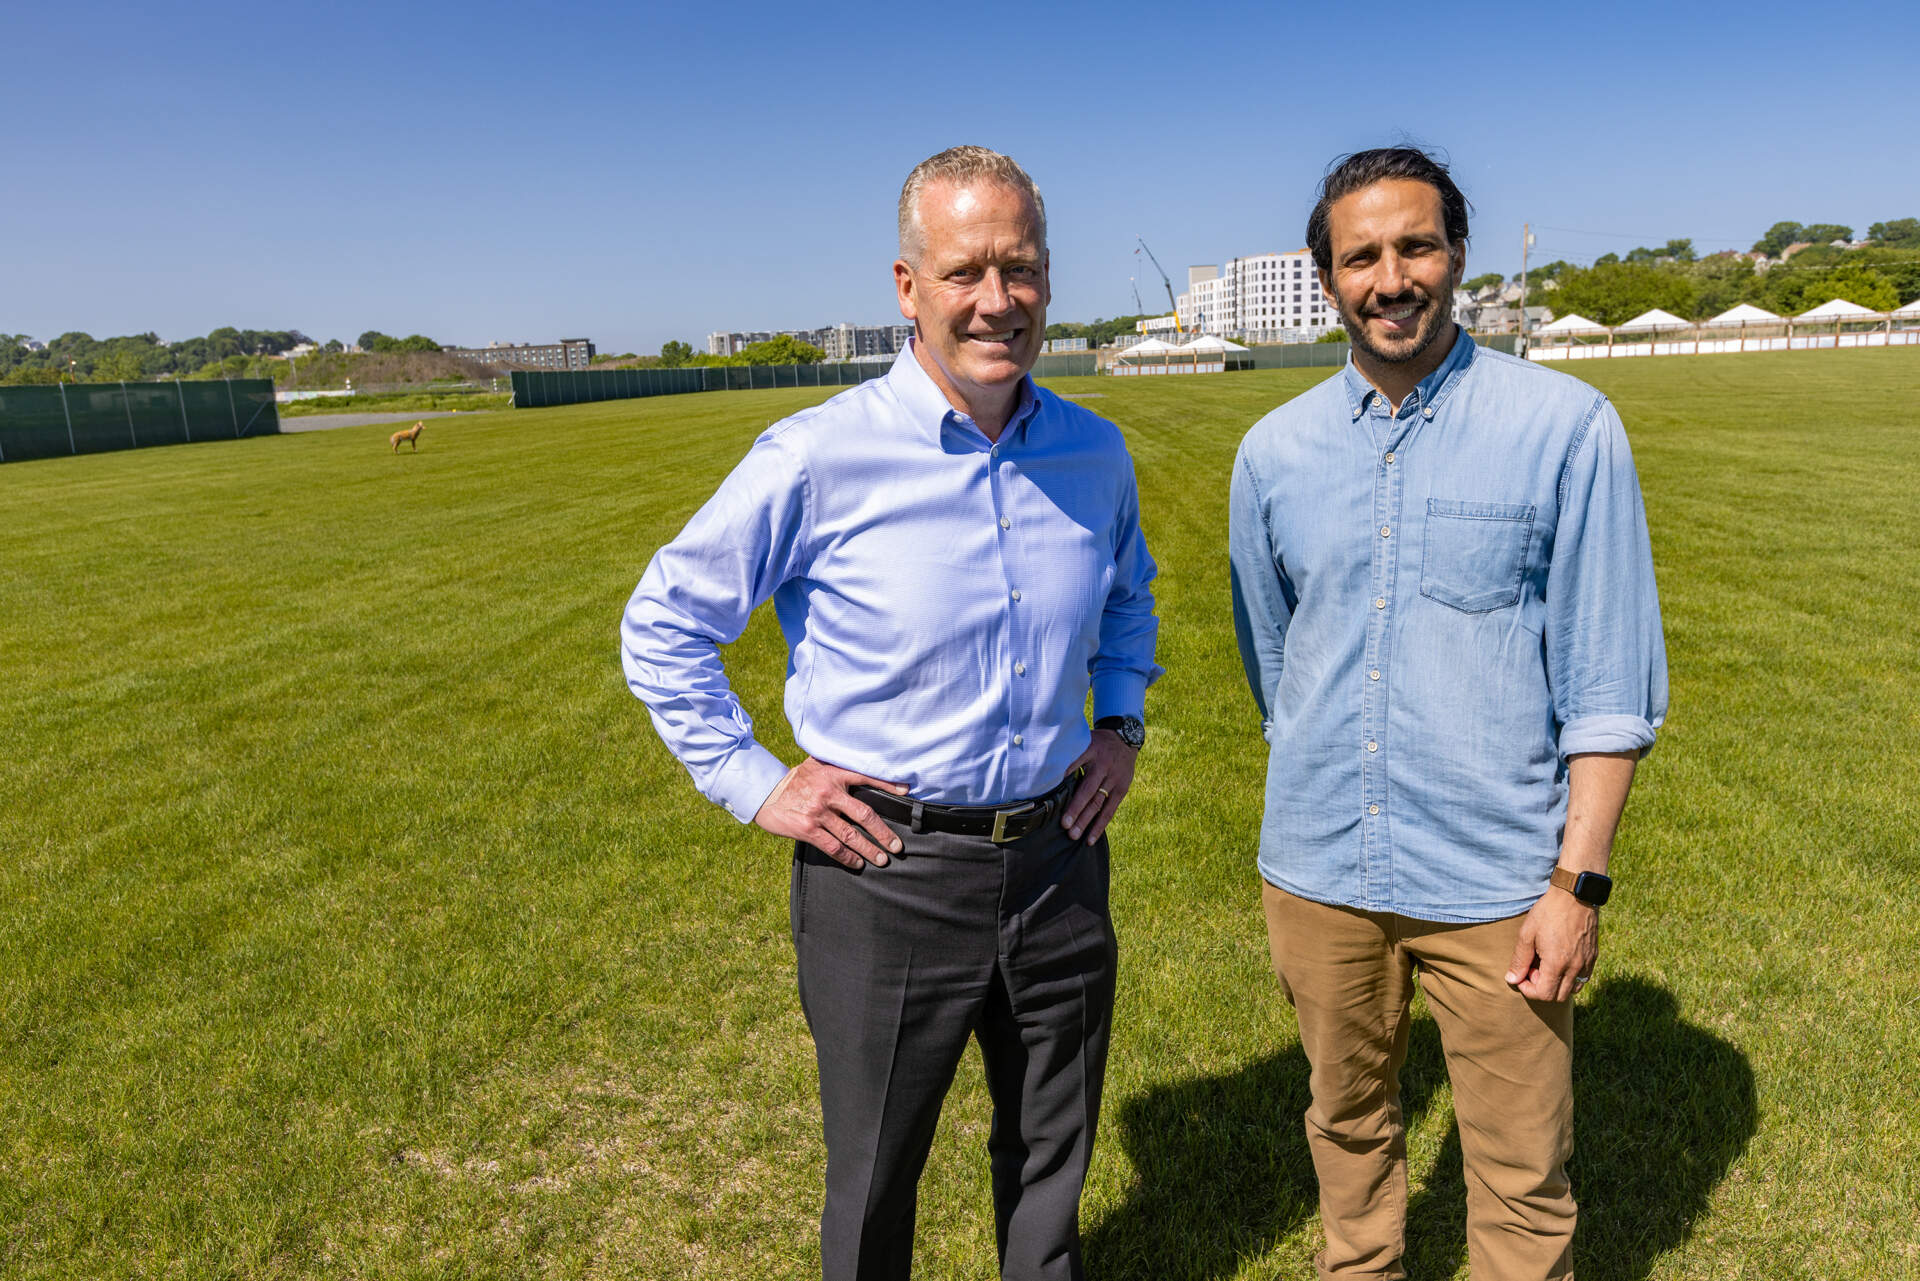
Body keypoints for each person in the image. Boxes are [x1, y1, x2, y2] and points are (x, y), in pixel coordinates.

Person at [621, 145, 1160, 1281]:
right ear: (908, 287)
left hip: (1062, 860)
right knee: (874, 1176)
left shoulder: (1094, 453)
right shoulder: (819, 457)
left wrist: (1119, 724)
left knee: (1052, 1157)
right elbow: (663, 622)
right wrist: (761, 783)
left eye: (1019, 268)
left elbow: (1129, 596)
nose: (997, 301)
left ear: (1050, 280)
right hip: (888, 872)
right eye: (965, 271)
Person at [1227, 147, 1668, 1280]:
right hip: (1322, 869)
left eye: (1415, 245)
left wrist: (1576, 885)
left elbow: (1609, 685)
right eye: (1361, 255)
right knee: (1347, 1138)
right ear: (1327, 278)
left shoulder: (1565, 427)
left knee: (1523, 1181)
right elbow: (1275, 662)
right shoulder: (1271, 454)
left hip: (1499, 884)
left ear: (1456, 255)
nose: (1391, 277)